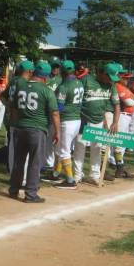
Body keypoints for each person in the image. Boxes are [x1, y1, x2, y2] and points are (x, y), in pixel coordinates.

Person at [8, 61, 60, 203]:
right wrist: (57, 132)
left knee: (18, 160)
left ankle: (13, 189)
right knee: (34, 162)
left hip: (19, 127)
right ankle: (31, 194)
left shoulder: (20, 86)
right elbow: (54, 113)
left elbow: (13, 108)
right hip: (37, 129)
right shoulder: (46, 90)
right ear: (45, 77)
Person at [72, 64, 121, 184]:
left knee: (97, 147)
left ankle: (94, 175)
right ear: (102, 73)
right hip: (83, 118)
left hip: (99, 120)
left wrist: (115, 122)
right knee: (80, 146)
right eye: (109, 77)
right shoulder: (86, 80)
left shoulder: (111, 85)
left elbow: (117, 104)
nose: (110, 80)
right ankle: (77, 175)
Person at [52, 60, 83, 189]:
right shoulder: (79, 82)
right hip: (77, 120)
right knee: (63, 148)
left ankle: (70, 180)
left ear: (62, 72)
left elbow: (58, 107)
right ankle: (56, 173)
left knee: (64, 150)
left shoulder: (64, 86)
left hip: (67, 120)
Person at [0, 60, 34, 175]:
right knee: (18, 147)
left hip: (10, 116)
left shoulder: (13, 80)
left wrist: (8, 106)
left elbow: (2, 96)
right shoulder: (23, 83)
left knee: (11, 145)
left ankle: (10, 169)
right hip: (18, 119)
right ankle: (15, 171)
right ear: (29, 71)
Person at [113, 72, 134, 178]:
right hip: (122, 115)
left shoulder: (124, 87)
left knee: (123, 142)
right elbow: (130, 102)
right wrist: (133, 98)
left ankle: (120, 166)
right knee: (120, 141)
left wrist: (133, 98)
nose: (127, 80)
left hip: (127, 116)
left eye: (128, 78)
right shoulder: (118, 86)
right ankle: (117, 165)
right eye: (125, 78)